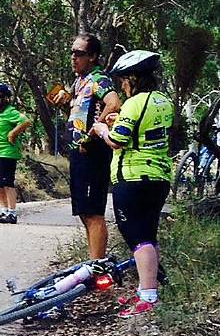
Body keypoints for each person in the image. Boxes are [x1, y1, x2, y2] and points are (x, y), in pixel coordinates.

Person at [89, 50, 173, 317]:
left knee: (137, 235)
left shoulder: (135, 103)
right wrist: (120, 120)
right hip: (158, 176)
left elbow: (118, 140)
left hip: (133, 176)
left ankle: (148, 297)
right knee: (148, 232)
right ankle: (147, 288)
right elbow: (143, 130)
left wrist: (103, 129)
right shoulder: (163, 101)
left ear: (134, 78)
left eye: (124, 80)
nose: (122, 86)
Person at [48, 33, 121, 259]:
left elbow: (114, 102)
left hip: (93, 153)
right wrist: (63, 105)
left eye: (79, 53)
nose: (73, 57)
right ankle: (92, 262)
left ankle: (97, 265)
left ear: (93, 56)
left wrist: (94, 133)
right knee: (83, 211)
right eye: (72, 52)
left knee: (93, 211)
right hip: (78, 154)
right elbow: (77, 115)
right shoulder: (79, 82)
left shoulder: (99, 78)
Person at [0, 83, 32, 224]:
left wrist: (13, 133)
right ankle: (4, 211)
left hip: (7, 153)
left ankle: (12, 213)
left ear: (6, 98)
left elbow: (26, 121)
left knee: (7, 184)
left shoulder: (10, 111)